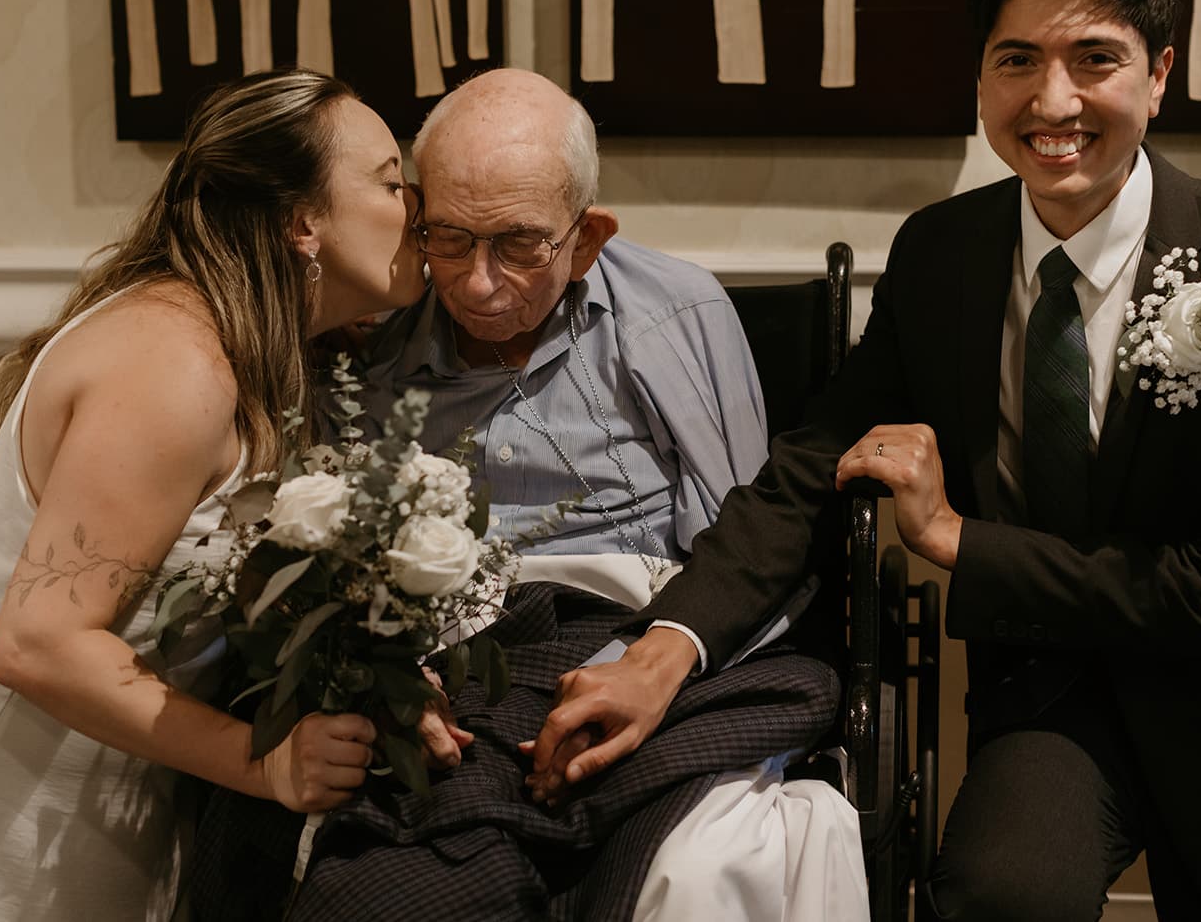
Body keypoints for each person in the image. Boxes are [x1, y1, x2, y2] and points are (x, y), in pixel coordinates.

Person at [538, 0, 1201, 920]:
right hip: (1052, 690)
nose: (1053, 101)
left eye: (1094, 59)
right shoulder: (940, 255)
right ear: (980, 76)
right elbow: (813, 464)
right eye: (1015, 60)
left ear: (1158, 73)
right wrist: (665, 645)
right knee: (996, 895)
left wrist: (956, 537)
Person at [188, 68, 863, 921]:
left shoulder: (672, 315)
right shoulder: (371, 346)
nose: (475, 283)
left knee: (686, 874)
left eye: (518, 245)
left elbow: (741, 546)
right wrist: (379, 672)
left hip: (636, 636)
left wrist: (641, 662)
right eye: (449, 238)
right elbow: (325, 558)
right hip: (455, 669)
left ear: (586, 238)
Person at [0, 70, 440, 921]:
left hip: (105, 779)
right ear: (303, 221)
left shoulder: (271, 348)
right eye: (385, 180)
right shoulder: (173, 363)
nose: (413, 203)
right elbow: (39, 643)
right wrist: (263, 764)